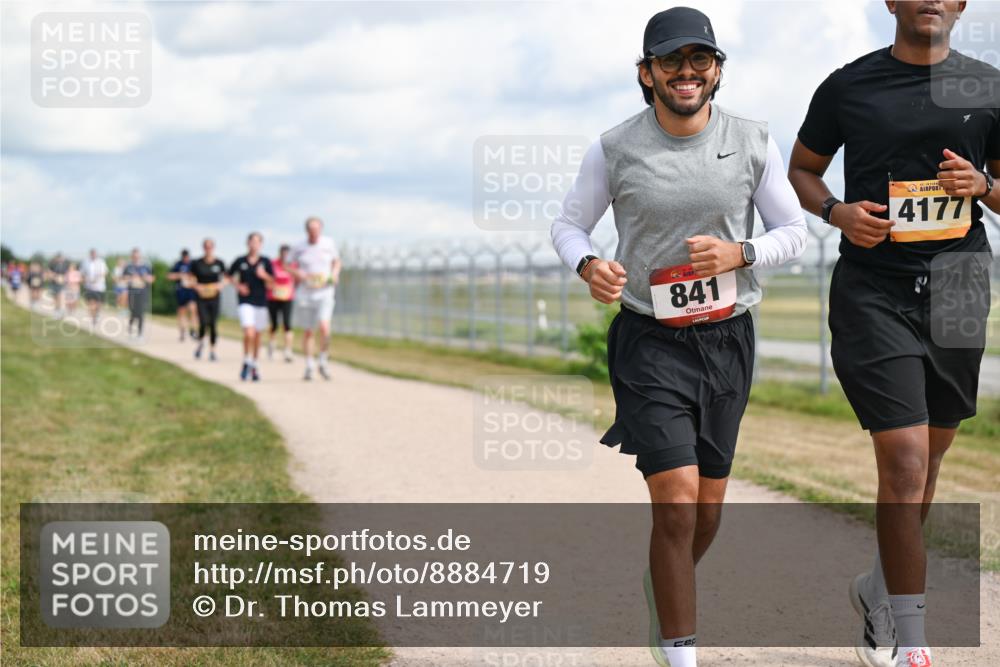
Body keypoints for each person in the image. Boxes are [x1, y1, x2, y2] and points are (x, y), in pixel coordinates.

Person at [550, 8, 807, 666]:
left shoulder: (753, 139)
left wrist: (740, 254)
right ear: (647, 73)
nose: (687, 72)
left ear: (718, 70)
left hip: (727, 341)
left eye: (701, 60)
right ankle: (679, 649)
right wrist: (588, 264)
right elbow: (569, 225)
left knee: (707, 510)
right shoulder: (615, 146)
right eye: (672, 61)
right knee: (676, 500)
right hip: (649, 340)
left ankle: (666, 584)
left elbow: (794, 233)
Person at [787, 3, 998, 666]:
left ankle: (878, 586)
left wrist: (984, 183)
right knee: (904, 461)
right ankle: (911, 642)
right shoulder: (849, 86)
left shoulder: (987, 87)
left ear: (962, 4)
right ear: (892, 2)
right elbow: (801, 170)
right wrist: (838, 211)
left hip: (960, 284)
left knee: (929, 462)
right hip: (874, 289)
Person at [290, 217, 341, 380]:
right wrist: (299, 274)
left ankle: (323, 360)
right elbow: (287, 265)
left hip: (325, 291)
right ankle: (309, 365)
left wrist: (334, 275)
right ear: (307, 231)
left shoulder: (328, 244)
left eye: (317, 229)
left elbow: (337, 262)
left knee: (324, 327)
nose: (314, 232)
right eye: (311, 229)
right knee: (308, 331)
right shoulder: (299, 246)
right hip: (306, 293)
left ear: (321, 229)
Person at [228, 232, 275, 381]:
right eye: (251, 241)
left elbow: (273, 282)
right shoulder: (240, 260)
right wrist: (238, 285)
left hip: (261, 302)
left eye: (257, 242)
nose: (254, 244)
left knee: (257, 335)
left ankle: (254, 364)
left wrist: (264, 276)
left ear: (261, 244)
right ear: (247, 243)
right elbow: (228, 275)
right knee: (249, 332)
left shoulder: (266, 262)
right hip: (245, 301)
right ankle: (246, 360)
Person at [190, 238, 226, 361]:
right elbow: (190, 278)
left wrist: (220, 285)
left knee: (213, 324)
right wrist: (196, 286)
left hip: (214, 297)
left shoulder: (219, 263)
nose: (208, 249)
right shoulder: (197, 263)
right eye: (206, 246)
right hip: (201, 298)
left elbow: (226, 278)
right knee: (204, 322)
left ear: (213, 248)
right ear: (203, 248)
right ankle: (200, 343)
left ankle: (212, 350)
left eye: (210, 246)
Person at [266, 244, 297, 362]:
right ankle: (272, 344)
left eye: (287, 254)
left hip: (287, 297)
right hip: (273, 297)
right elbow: (267, 279)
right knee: (274, 324)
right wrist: (272, 285)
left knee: (287, 324)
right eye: (283, 254)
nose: (285, 256)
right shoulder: (272, 264)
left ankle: (288, 350)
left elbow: (297, 279)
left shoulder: (293, 265)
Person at [122, 248, 154, 339]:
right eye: (134, 256)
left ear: (140, 256)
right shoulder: (128, 267)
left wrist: (144, 277)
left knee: (141, 313)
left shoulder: (146, 267)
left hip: (142, 293)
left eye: (137, 256)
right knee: (133, 313)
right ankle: (130, 330)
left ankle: (140, 333)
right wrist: (131, 278)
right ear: (132, 257)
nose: (135, 258)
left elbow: (152, 279)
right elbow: (123, 279)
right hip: (132, 292)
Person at [167, 249, 199, 341]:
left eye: (187, 256)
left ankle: (193, 330)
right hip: (181, 291)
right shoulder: (178, 264)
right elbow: (169, 276)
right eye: (184, 256)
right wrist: (180, 275)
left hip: (191, 290)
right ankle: (182, 333)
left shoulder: (193, 264)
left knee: (193, 309)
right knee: (182, 312)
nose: (185, 258)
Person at [81, 248, 109, 325]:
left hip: (99, 286)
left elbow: (105, 272)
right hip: (89, 286)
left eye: (94, 253)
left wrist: (98, 278)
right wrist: (85, 279)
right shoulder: (85, 262)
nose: (93, 255)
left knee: (98, 303)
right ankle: (93, 318)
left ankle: (96, 314)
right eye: (92, 253)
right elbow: (82, 273)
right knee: (90, 303)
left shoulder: (101, 262)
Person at [47, 252, 69, 317]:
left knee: (60, 297)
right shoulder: (53, 264)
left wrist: (64, 279)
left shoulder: (65, 265)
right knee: (55, 297)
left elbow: (66, 274)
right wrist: (55, 277)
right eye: (59, 258)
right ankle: (56, 310)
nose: (60, 259)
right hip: (54, 283)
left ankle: (59, 311)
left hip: (61, 284)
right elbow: (49, 272)